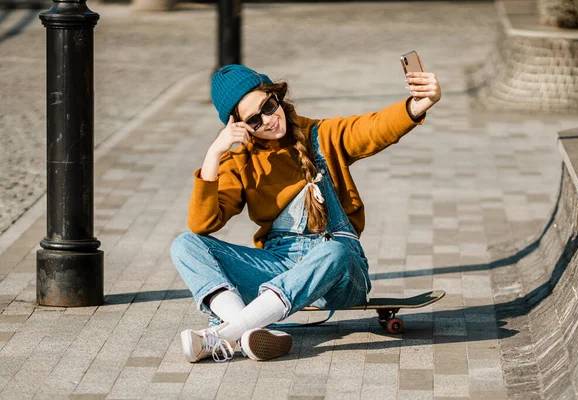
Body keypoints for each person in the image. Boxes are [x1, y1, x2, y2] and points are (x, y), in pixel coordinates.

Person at [170, 64, 442, 363]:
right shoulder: (240, 162)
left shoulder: (322, 135)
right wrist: (214, 154)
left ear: (276, 96)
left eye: (269, 106)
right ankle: (248, 332)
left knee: (334, 251)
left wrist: (419, 104)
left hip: (339, 275)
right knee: (185, 244)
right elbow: (202, 223)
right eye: (255, 120)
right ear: (239, 126)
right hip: (280, 268)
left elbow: (374, 128)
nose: (270, 120)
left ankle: (224, 335)